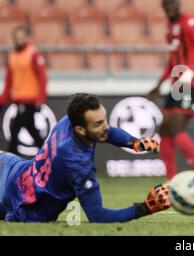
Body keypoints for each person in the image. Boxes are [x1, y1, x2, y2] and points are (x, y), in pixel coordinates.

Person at [0, 93, 170, 222]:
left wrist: (134, 143)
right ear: (80, 130)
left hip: (13, 166)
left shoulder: (71, 120)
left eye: (104, 120)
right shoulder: (77, 164)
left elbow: (108, 133)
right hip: (22, 206)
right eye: (98, 124)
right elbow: (97, 215)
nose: (105, 127)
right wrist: (145, 208)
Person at [147, 0, 194, 184]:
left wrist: (190, 72)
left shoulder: (190, 23)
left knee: (176, 127)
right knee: (165, 129)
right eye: (166, 5)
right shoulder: (169, 29)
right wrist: (159, 84)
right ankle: (171, 180)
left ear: (178, 4)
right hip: (176, 84)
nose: (169, 8)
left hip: (193, 83)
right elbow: (172, 60)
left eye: (172, 4)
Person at [0, 26, 47, 156]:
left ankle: (10, 161)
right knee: (31, 130)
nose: (19, 39)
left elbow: (42, 78)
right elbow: (9, 81)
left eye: (21, 37)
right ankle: (49, 155)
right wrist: (2, 100)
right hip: (18, 100)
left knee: (15, 130)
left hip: (30, 101)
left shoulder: (33, 54)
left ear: (26, 38)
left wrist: (41, 99)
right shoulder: (13, 56)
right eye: (17, 37)